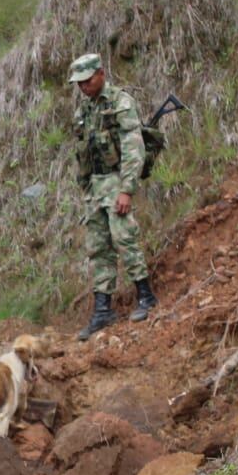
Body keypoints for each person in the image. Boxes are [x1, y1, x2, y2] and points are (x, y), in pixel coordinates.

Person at [69, 52, 157, 340]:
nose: (83, 86)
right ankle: (103, 309)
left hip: (116, 180)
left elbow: (134, 148)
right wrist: (84, 186)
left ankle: (146, 295)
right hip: (95, 187)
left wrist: (126, 189)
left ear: (101, 74)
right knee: (98, 247)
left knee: (124, 237)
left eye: (87, 80)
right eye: (79, 83)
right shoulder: (84, 111)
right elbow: (82, 151)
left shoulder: (120, 103)